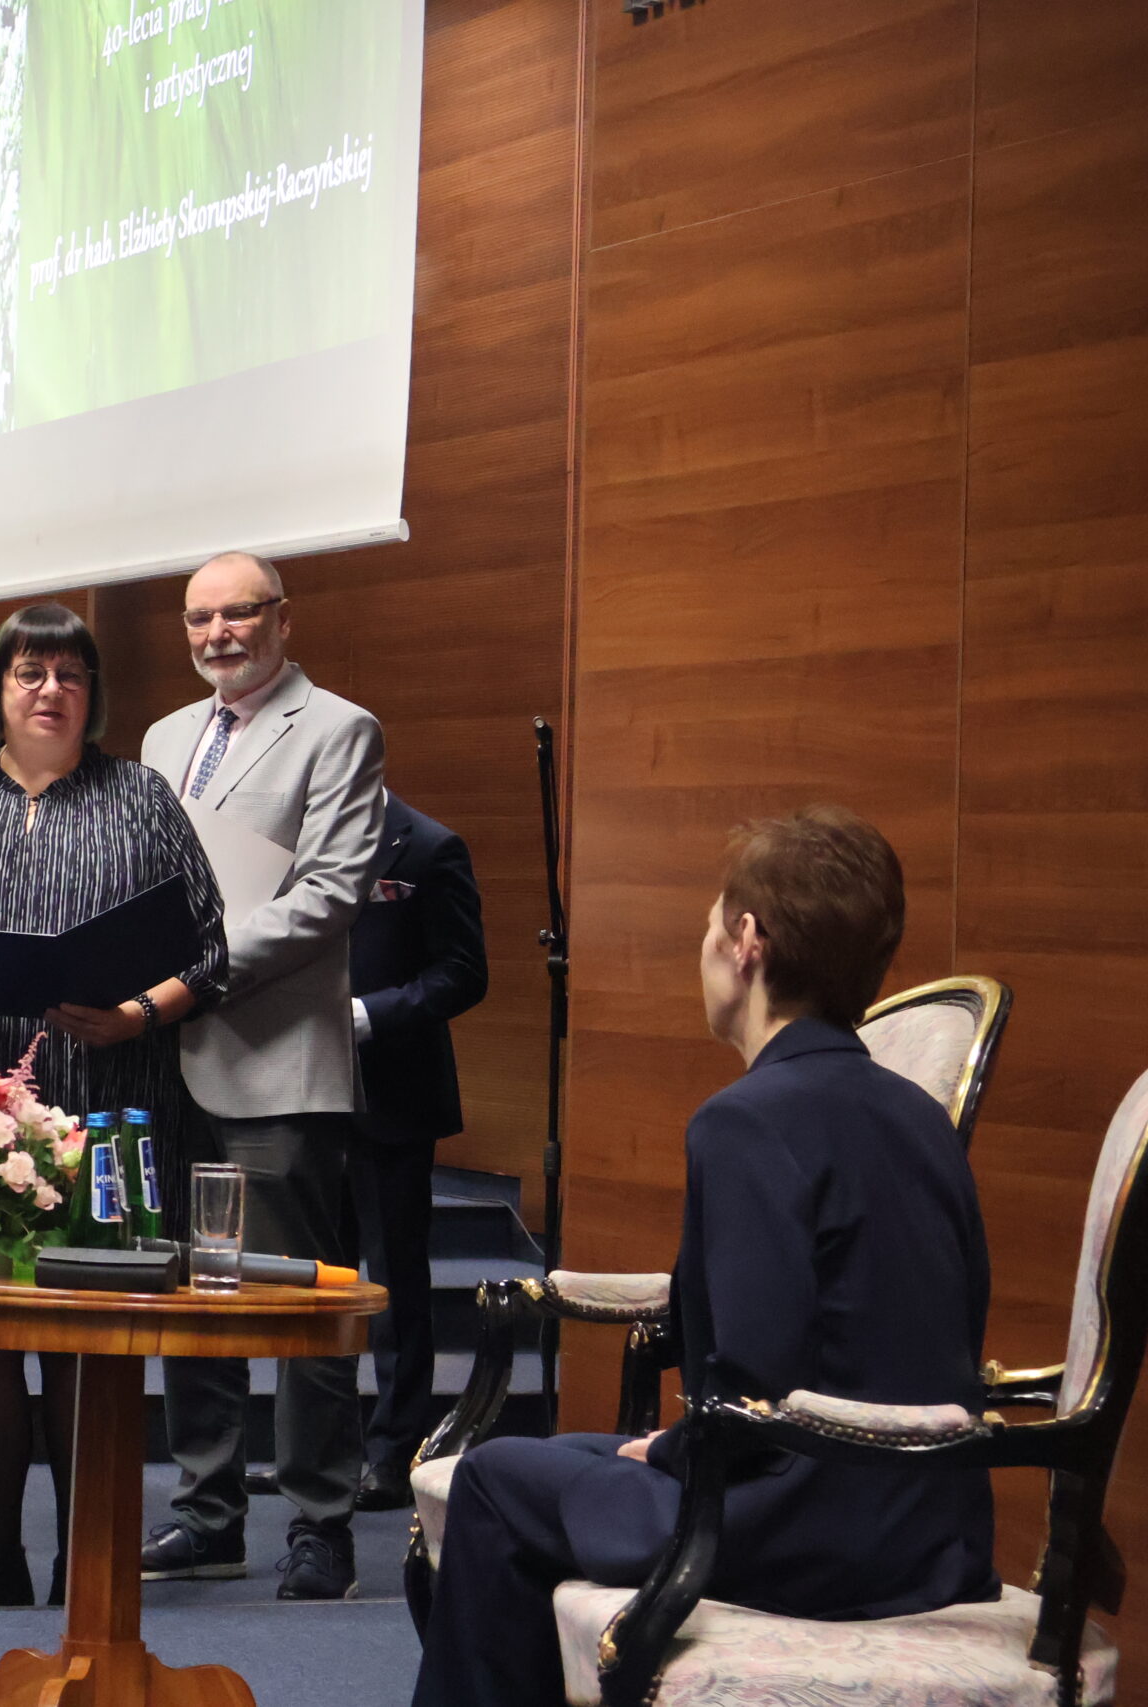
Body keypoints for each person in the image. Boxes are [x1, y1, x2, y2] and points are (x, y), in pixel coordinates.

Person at [414, 807, 997, 1707]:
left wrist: (677, 1448)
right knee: (569, 1458)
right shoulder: (922, 1118)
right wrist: (667, 1447)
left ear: (747, 940)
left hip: (799, 1533)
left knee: (494, 1479)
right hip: (931, 1533)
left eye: (709, 923)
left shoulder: (745, 1121)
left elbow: (753, 1387)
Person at [0, 603, 228, 1607]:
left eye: (70, 674)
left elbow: (208, 950)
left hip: (107, 1104)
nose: (51, 690)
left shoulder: (140, 797)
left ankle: (84, 1565)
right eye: (30, 673)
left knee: (83, 1343)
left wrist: (137, 1014)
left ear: (92, 694)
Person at [140, 552, 387, 1601]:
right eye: (200, 618)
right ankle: (208, 1514)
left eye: (239, 613)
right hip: (164, 1057)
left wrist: (192, 976)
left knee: (299, 1303)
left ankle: (322, 1522)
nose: (219, 634)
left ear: (283, 618)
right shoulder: (163, 737)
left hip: (277, 1062)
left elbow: (330, 892)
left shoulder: (338, 728)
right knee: (192, 1294)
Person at [347, 797, 487, 1512]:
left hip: (394, 1092)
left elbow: (463, 971)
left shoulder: (430, 846)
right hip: (302, 1088)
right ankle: (320, 1452)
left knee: (397, 1280)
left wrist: (372, 1014)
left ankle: (394, 1449)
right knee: (315, 1277)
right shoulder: (296, 833)